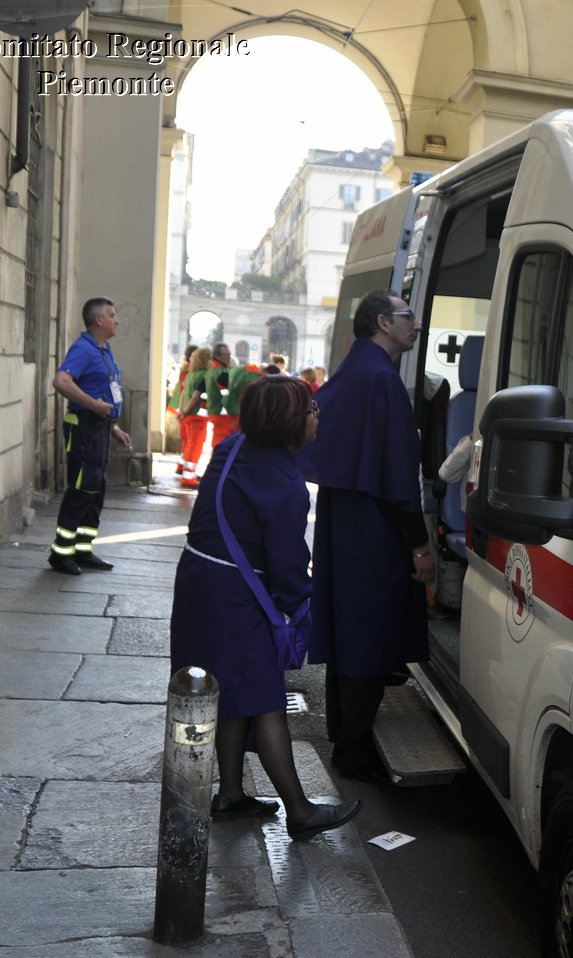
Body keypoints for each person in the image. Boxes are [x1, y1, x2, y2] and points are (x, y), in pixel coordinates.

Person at [169, 376, 362, 841]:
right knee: (265, 700)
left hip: (198, 583)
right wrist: (300, 609)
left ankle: (232, 795)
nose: (318, 415)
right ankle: (299, 811)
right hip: (239, 595)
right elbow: (288, 564)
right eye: (311, 408)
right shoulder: (286, 486)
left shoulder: (232, 446)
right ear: (289, 421)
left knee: (231, 692)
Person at [299, 291, 435, 782]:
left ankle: (346, 736)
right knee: (370, 635)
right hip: (374, 528)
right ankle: (353, 751)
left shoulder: (357, 371)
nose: (416, 325)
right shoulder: (381, 380)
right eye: (408, 317)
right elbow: (400, 475)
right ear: (383, 322)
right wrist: (419, 545)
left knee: (351, 630)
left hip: (345, 519)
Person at [48, 298, 131, 574]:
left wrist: (115, 428)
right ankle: (61, 553)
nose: (116, 320)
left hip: (100, 428)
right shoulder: (83, 349)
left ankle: (83, 550)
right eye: (112, 315)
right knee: (82, 488)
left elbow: (106, 391)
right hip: (84, 427)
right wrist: (93, 405)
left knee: (96, 489)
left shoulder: (104, 351)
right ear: (98, 320)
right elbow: (61, 381)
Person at [175, 347, 213, 489]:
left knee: (189, 444)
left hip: (188, 415)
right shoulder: (204, 375)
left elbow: (184, 394)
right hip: (197, 416)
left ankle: (186, 472)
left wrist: (182, 411)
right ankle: (189, 477)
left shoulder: (191, 374)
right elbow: (197, 396)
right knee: (195, 446)